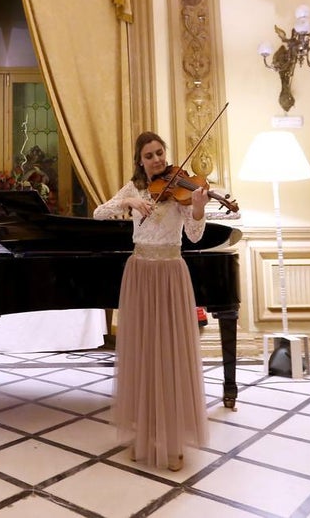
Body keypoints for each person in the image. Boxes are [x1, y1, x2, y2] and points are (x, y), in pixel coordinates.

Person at [92, 131, 210, 471]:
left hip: (170, 273)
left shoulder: (180, 191)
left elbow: (194, 235)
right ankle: (144, 436)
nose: (157, 160)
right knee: (143, 354)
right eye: (149, 156)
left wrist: (199, 207)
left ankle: (173, 443)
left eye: (160, 153)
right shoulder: (134, 189)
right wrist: (128, 202)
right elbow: (100, 213)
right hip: (140, 272)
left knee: (170, 355)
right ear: (140, 161)